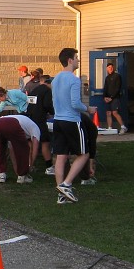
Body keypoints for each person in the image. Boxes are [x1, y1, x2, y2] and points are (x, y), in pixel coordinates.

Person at [51, 47, 89, 204]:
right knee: (84, 154)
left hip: (58, 121)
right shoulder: (74, 79)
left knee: (61, 157)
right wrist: (88, 109)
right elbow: (76, 103)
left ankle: (61, 195)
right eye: (76, 57)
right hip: (72, 121)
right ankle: (66, 185)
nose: (78, 60)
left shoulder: (55, 79)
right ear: (70, 60)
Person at [0, 111, 40, 183]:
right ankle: (22, 176)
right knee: (23, 150)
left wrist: (16, 168)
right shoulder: (35, 128)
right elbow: (35, 148)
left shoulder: (24, 122)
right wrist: (30, 165)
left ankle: (2, 174)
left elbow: (12, 149)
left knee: (1, 149)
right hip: (12, 124)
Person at [23, 69, 54, 173]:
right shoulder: (47, 90)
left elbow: (30, 104)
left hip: (29, 119)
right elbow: (47, 105)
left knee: (31, 144)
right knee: (45, 143)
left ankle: (29, 165)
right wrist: (53, 112)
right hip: (39, 120)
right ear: (48, 83)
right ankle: (49, 167)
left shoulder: (34, 90)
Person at [102, 62, 127, 134]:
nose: (110, 69)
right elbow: (105, 88)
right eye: (109, 67)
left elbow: (117, 88)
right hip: (108, 98)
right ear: (107, 69)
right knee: (108, 113)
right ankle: (109, 128)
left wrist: (111, 97)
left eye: (111, 67)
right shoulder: (107, 78)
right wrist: (104, 97)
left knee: (115, 112)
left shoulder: (117, 76)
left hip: (115, 98)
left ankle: (123, 127)